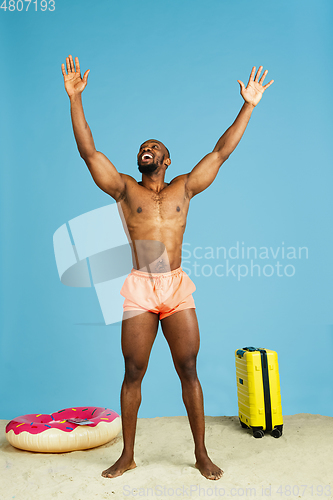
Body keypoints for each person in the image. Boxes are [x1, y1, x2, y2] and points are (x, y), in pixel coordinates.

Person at [61, 55, 274, 480]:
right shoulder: (124, 189)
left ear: (168, 159)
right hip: (141, 287)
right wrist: (75, 99)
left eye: (155, 147)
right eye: (143, 147)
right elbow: (88, 152)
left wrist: (249, 105)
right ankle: (128, 454)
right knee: (133, 372)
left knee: (189, 368)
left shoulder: (184, 187)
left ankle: (200, 453)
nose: (147, 149)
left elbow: (221, 152)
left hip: (176, 288)